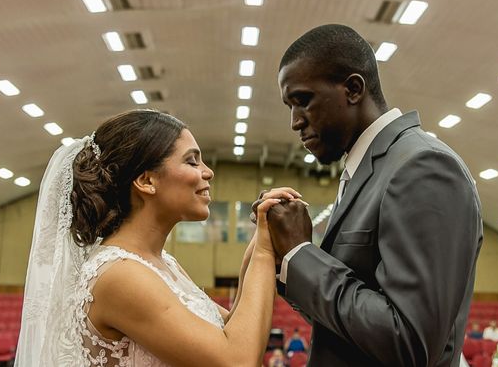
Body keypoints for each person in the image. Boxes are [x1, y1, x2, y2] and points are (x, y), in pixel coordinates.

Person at [263, 24, 484, 367]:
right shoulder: (364, 170)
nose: (294, 121)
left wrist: (302, 252)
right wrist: (286, 260)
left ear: (353, 89)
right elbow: (352, 328)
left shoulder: (423, 166)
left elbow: (408, 342)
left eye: (303, 100)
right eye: (289, 106)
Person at [15, 109, 306, 366]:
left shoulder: (160, 262)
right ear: (146, 181)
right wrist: (266, 253)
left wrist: (259, 239)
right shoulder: (120, 274)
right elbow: (237, 359)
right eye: (192, 162)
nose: (208, 172)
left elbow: (231, 329)